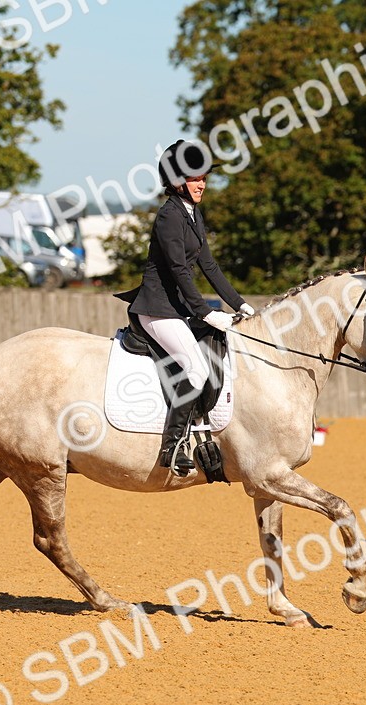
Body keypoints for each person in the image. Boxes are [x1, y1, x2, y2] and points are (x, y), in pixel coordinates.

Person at [115, 139, 255, 476]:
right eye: (195, 179)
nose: (202, 184)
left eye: (204, 177)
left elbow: (209, 266)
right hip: (156, 309)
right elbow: (179, 270)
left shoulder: (193, 213)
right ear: (177, 181)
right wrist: (205, 311)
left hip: (176, 307)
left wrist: (242, 304)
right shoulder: (169, 215)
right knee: (195, 368)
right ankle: (172, 446)